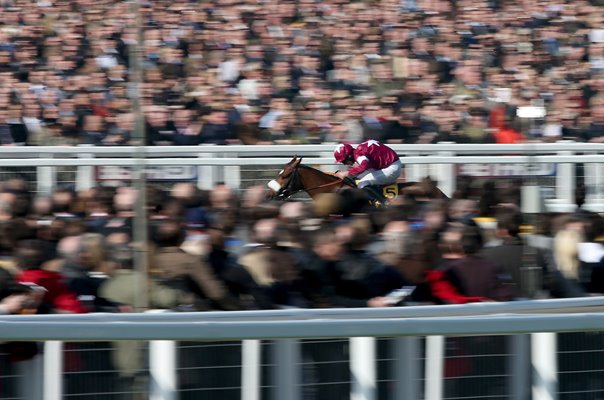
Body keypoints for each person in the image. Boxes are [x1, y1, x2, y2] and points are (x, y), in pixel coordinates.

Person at [333, 140, 402, 200]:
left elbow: (365, 165)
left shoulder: (358, 154)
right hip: (390, 164)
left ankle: (383, 203)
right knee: (359, 177)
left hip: (391, 168)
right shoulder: (360, 149)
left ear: (349, 156)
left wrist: (347, 173)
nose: (345, 164)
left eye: (344, 161)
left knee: (362, 183)